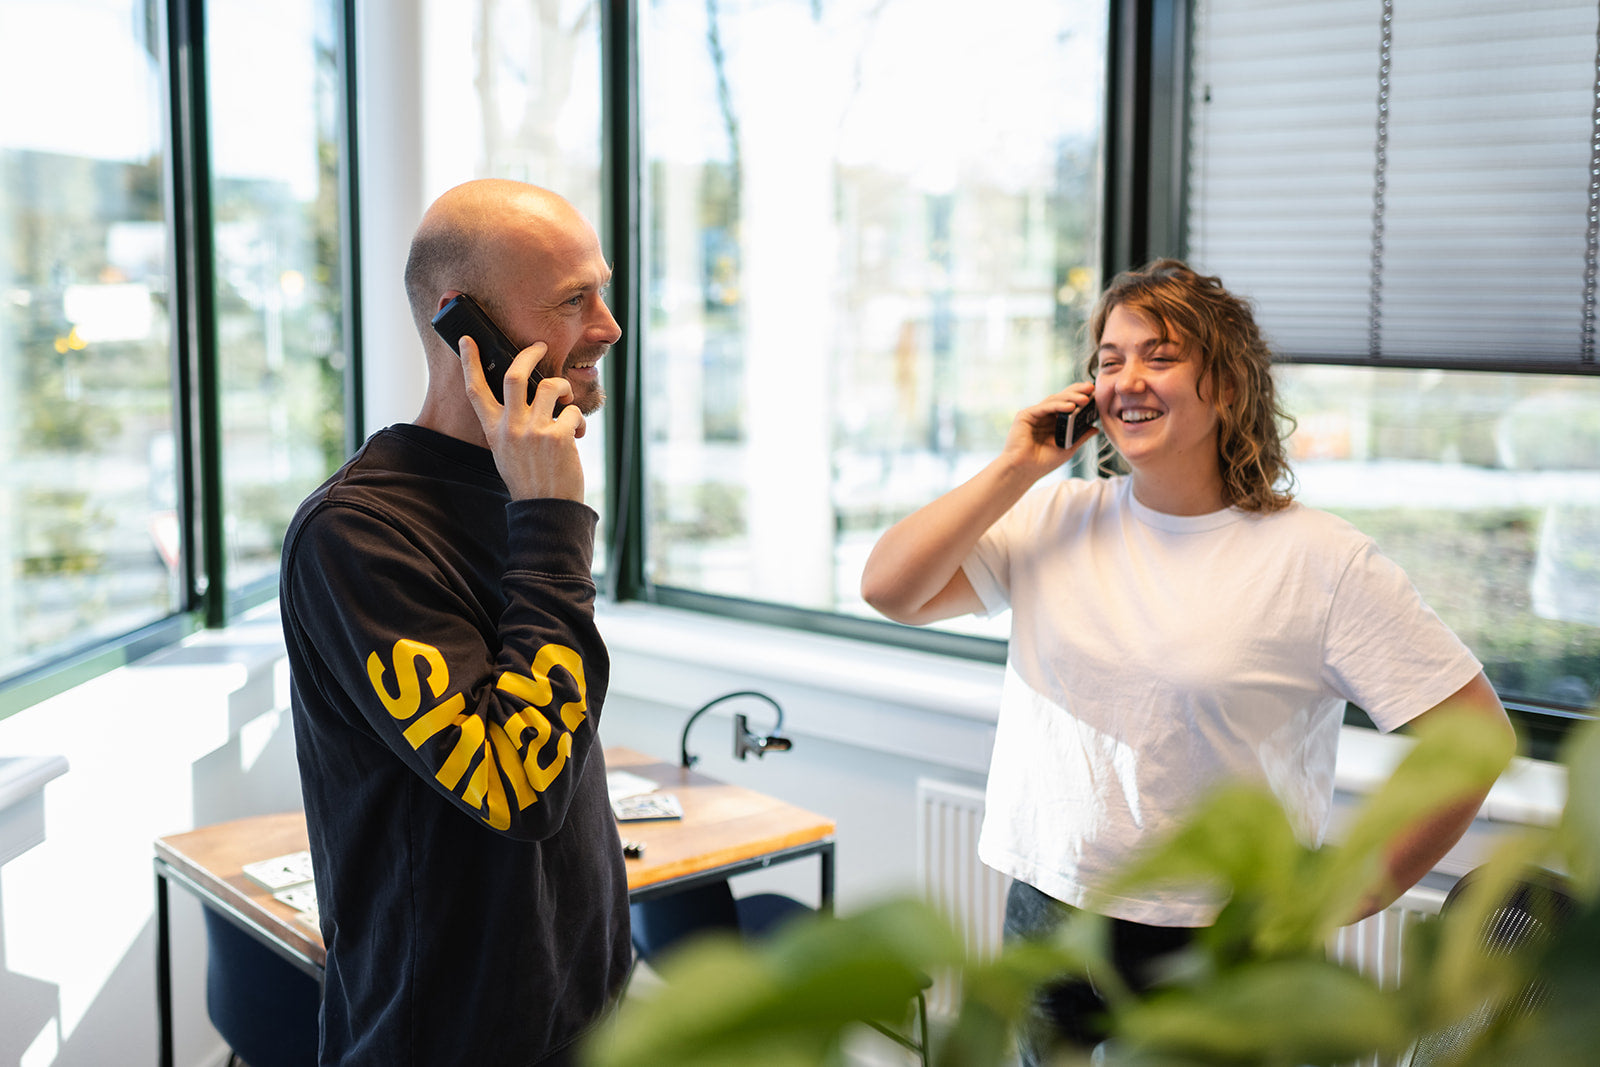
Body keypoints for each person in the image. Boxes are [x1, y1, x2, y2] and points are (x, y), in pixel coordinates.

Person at [858, 259, 1515, 1062]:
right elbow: (890, 588)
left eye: (1160, 355)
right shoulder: (1052, 516)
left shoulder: (1321, 559)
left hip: (1216, 937)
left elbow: (1477, 736)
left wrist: (1357, 887)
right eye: (1109, 360)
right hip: (1049, 909)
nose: (1126, 379)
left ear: (1227, 387)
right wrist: (1017, 467)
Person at [279, 179, 629, 1067]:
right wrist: (551, 524)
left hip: (582, 1023)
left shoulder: (523, 490)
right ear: (462, 322)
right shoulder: (357, 535)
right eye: (573, 300)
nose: (609, 326)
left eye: (603, 290)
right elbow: (519, 785)